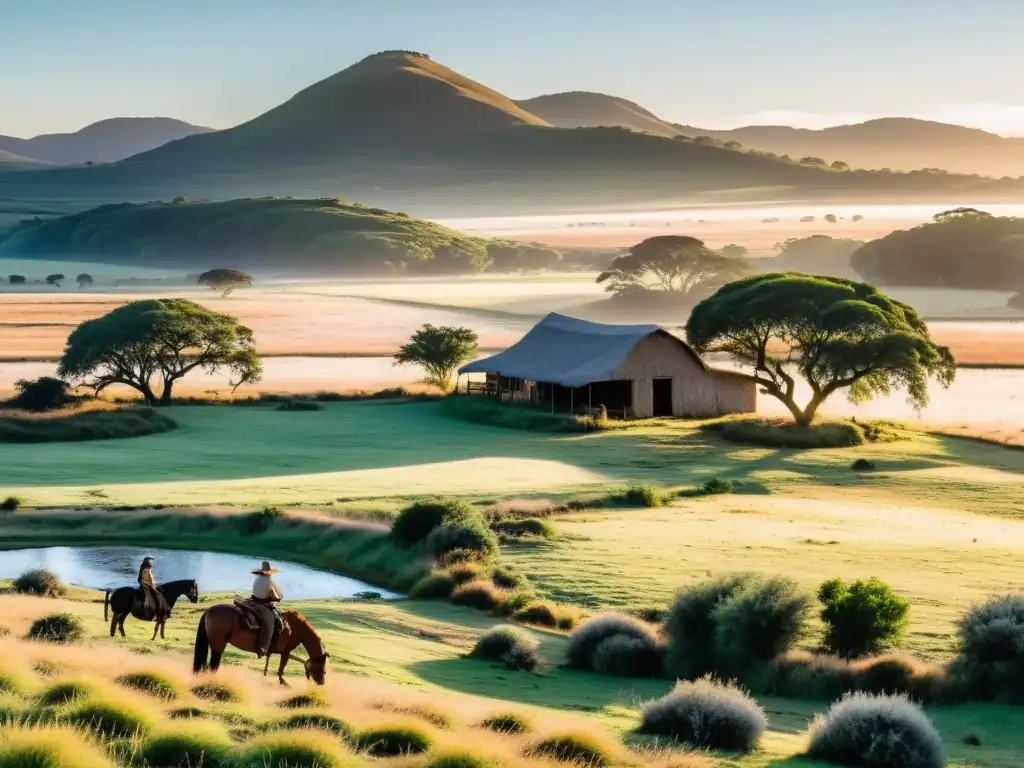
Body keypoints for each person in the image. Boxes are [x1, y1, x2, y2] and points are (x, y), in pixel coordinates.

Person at [250, 561, 285, 658]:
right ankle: (263, 647)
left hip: (253, 600)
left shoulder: (258, 578)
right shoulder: (269, 581)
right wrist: (277, 597)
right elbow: (276, 595)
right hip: (262, 604)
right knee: (269, 624)